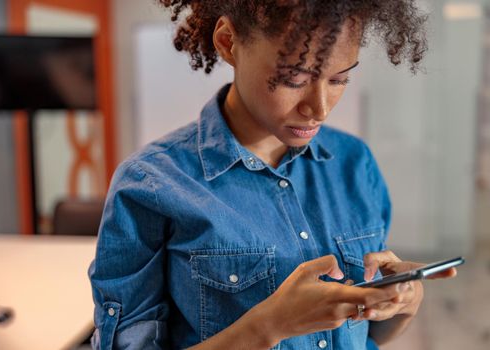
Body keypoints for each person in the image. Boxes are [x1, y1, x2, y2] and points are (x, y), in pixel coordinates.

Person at [89, 1, 457, 349]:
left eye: (339, 80)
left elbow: (370, 335)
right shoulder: (152, 184)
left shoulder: (355, 164)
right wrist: (269, 326)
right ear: (228, 42)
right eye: (294, 78)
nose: (320, 108)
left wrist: (403, 301)